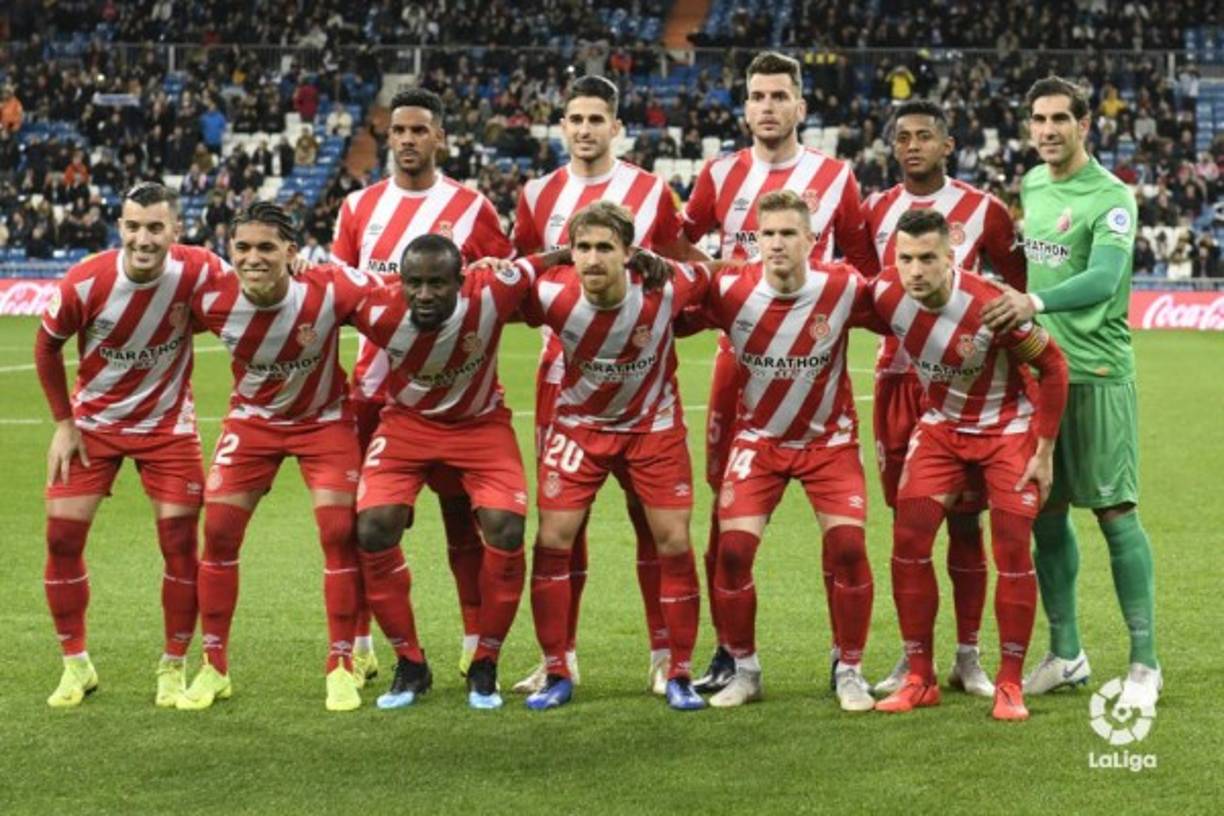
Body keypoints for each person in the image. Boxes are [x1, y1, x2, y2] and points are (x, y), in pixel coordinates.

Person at [681, 51, 878, 693]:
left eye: (778, 96)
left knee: (843, 538)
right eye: (756, 96)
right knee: (726, 512)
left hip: (814, 354)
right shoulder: (719, 174)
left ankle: (845, 660)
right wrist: (723, 286)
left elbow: (866, 265)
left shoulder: (836, 177)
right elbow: (682, 247)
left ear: (801, 106)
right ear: (744, 107)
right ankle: (729, 651)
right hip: (738, 360)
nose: (766, 107)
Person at [510, 74, 704, 696]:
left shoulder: (651, 190)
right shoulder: (537, 193)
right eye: (576, 119)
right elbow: (524, 275)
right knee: (564, 525)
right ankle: (559, 655)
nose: (586, 129)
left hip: (645, 376)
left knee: (656, 526)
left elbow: (685, 266)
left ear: (617, 127)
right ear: (561, 126)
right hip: (564, 379)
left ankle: (662, 654)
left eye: (598, 119)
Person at [981, 77, 1162, 710]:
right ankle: (1066, 653)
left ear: (1085, 124)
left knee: (1115, 514)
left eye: (1061, 118)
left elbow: (1106, 276)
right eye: (1038, 119)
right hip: (1041, 375)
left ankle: (1144, 664)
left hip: (1100, 374)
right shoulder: (1033, 184)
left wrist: (1035, 301)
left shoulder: (1112, 197)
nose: (1048, 129)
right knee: (1047, 514)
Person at [331, 88, 512, 684]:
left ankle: (469, 639)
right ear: (389, 138)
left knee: (464, 523)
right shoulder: (358, 208)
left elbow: (502, 277)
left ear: (439, 138)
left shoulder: (472, 208)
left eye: (419, 131)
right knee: (364, 524)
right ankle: (359, 645)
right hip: (373, 393)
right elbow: (343, 290)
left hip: (454, 396)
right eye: (399, 131)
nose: (408, 140)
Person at [869, 208, 1069, 720]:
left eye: (928, 259)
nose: (915, 271)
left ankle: (1009, 683)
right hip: (942, 428)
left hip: (1006, 431)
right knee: (908, 540)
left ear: (951, 256)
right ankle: (919, 677)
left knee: (1010, 547)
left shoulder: (991, 306)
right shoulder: (885, 293)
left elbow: (1053, 365)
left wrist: (1044, 452)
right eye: (906, 259)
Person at [34, 182, 227, 708]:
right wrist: (63, 422)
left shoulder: (200, 270)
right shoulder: (86, 281)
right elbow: (47, 346)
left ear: (176, 231)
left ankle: (173, 665)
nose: (144, 239)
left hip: (168, 429)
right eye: (134, 227)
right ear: (120, 227)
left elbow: (245, 306)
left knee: (181, 544)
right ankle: (76, 665)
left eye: (155, 228)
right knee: (61, 540)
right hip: (94, 426)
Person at [179, 202, 376, 712]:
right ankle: (213, 666)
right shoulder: (212, 297)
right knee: (218, 533)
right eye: (242, 247)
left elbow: (404, 297)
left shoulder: (329, 287)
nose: (253, 258)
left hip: (324, 421)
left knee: (339, 535)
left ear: (292, 252)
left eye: (267, 247)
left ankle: (341, 664)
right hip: (253, 423)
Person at [861, 99, 1027, 698]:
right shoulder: (874, 208)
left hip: (966, 389)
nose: (912, 147)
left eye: (925, 136)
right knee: (910, 527)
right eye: (902, 137)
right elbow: (867, 288)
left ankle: (969, 655)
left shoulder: (983, 209)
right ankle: (914, 660)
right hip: (897, 384)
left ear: (947, 144)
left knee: (965, 524)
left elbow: (1013, 285)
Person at [699, 191, 877, 711]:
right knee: (732, 554)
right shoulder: (730, 288)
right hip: (760, 441)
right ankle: (746, 669)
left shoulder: (843, 287)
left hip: (829, 442)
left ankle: (849, 668)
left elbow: (900, 309)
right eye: (766, 234)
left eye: (787, 234)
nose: (775, 243)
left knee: (847, 549)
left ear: (811, 240)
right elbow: (675, 309)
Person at [352, 234, 539, 711]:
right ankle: (410, 664)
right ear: (401, 282)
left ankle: (485, 663)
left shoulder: (494, 290)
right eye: (414, 283)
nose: (425, 294)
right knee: (373, 526)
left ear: (462, 280)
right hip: (407, 425)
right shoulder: (376, 309)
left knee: (506, 527)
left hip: (480, 425)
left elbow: (551, 260)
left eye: (438, 283)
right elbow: (322, 291)